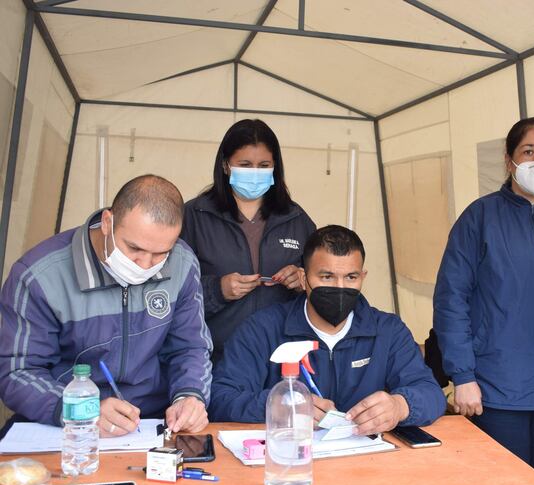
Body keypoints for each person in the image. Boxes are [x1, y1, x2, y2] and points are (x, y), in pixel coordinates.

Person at [433, 116, 534, 479]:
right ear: (509, 160)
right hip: (496, 389)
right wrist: (463, 375)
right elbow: (451, 299)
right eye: (529, 151)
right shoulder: (480, 217)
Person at [0, 175, 212, 437]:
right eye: (134, 248)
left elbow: (190, 346)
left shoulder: (182, 263)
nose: (144, 264)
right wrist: (82, 409)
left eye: (161, 253)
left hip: (152, 423)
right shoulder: (38, 276)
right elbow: (17, 372)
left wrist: (190, 396)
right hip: (66, 425)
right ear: (108, 223)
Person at [209, 225, 446, 434]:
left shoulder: (388, 330)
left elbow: (431, 393)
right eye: (327, 277)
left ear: (363, 277)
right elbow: (220, 398)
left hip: (367, 465)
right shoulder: (263, 329)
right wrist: (281, 405)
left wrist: (400, 406)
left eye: (351, 277)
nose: (340, 288)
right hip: (292, 460)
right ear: (303, 278)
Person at [181, 119, 315, 363]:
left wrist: (302, 279)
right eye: (245, 164)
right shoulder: (194, 216)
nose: (255, 173)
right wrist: (217, 289)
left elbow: (321, 281)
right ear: (225, 165)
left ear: (275, 167)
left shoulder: (296, 218)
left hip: (282, 357)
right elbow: (169, 291)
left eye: (264, 165)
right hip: (215, 356)